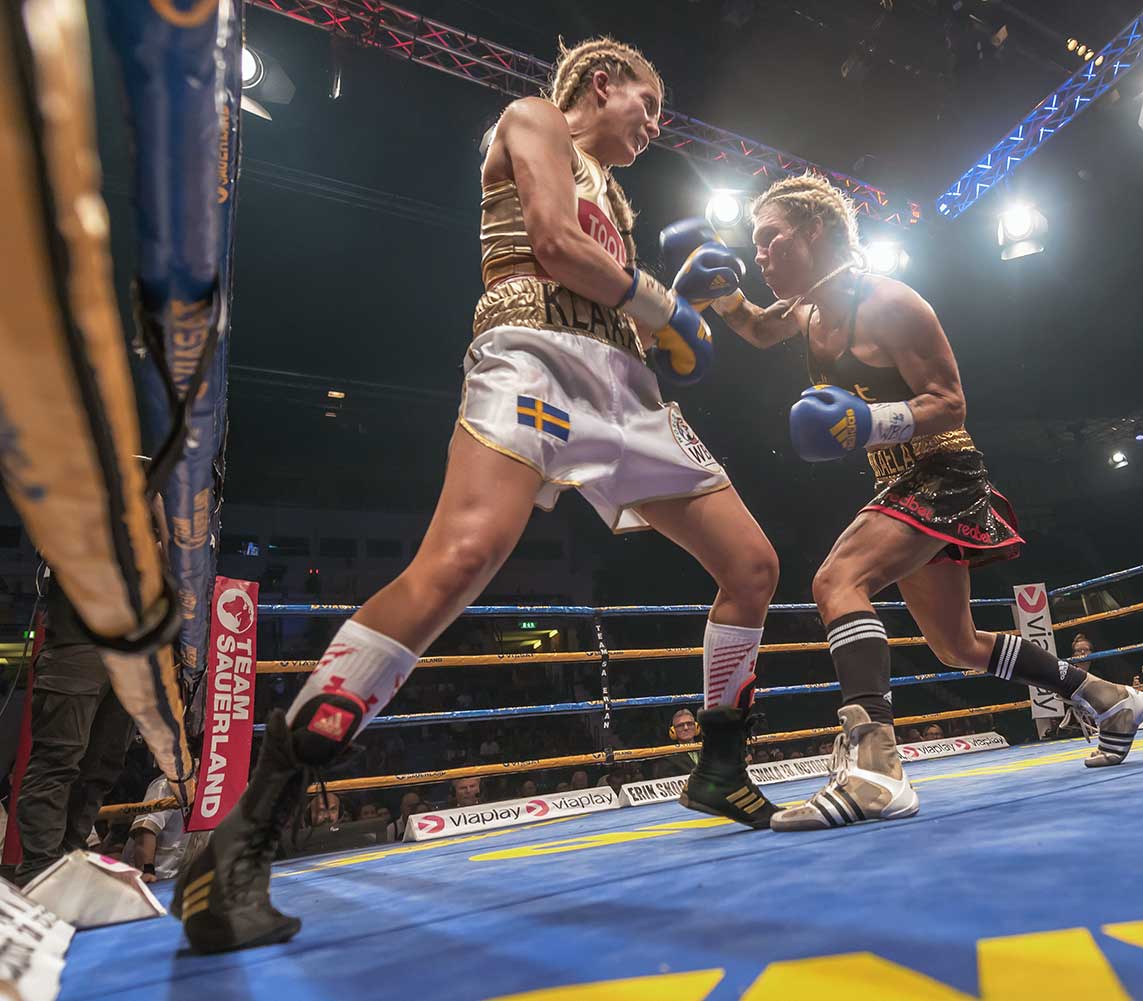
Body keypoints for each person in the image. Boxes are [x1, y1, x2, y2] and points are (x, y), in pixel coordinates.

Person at [173, 37, 782, 954]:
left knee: (752, 563)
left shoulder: (619, 196)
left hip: (624, 387)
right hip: (531, 356)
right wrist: (665, 305)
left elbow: (623, 304)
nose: (656, 126)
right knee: (460, 560)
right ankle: (245, 832)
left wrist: (672, 323)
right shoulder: (531, 119)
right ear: (600, 82)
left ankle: (720, 763)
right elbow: (550, 244)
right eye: (647, 104)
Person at [710, 173, 1143, 832]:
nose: (763, 256)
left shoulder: (889, 303)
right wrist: (715, 290)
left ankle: (877, 769)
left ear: (816, 230)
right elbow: (753, 327)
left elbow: (950, 400)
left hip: (944, 470)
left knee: (837, 579)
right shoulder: (807, 311)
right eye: (757, 245)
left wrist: (869, 421)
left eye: (771, 239)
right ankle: (1108, 699)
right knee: (956, 644)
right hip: (900, 483)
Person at [13, 576, 139, 885]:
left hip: (134, 649)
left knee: (102, 767)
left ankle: (70, 863)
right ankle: (40, 873)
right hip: (78, 638)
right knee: (58, 759)